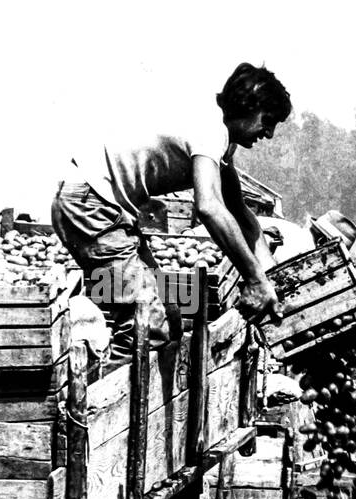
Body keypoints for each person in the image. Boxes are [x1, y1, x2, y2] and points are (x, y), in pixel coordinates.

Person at [51, 62, 292, 365]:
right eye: (267, 120)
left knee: (172, 316)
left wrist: (271, 277)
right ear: (247, 105)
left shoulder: (222, 145)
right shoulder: (210, 129)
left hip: (108, 214)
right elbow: (209, 207)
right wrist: (255, 279)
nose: (268, 134)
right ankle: (93, 407)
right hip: (88, 207)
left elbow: (241, 214)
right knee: (145, 327)